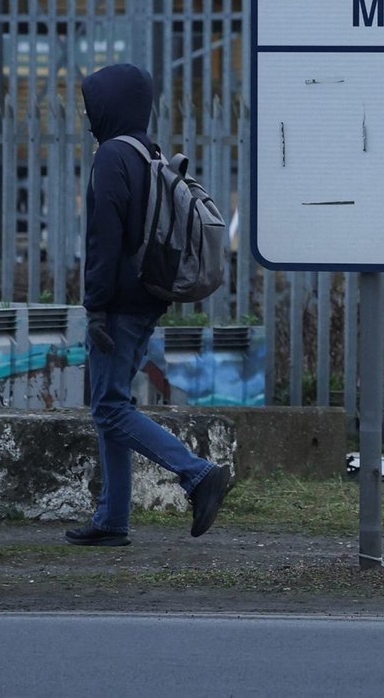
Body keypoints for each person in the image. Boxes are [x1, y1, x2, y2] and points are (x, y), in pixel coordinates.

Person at [64, 62, 231, 547]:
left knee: (111, 407)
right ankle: (112, 518)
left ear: (110, 104)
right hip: (145, 299)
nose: (88, 113)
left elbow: (105, 238)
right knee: (110, 404)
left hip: (116, 305)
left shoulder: (113, 156)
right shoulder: (147, 151)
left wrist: (94, 306)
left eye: (92, 102)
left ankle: (197, 474)